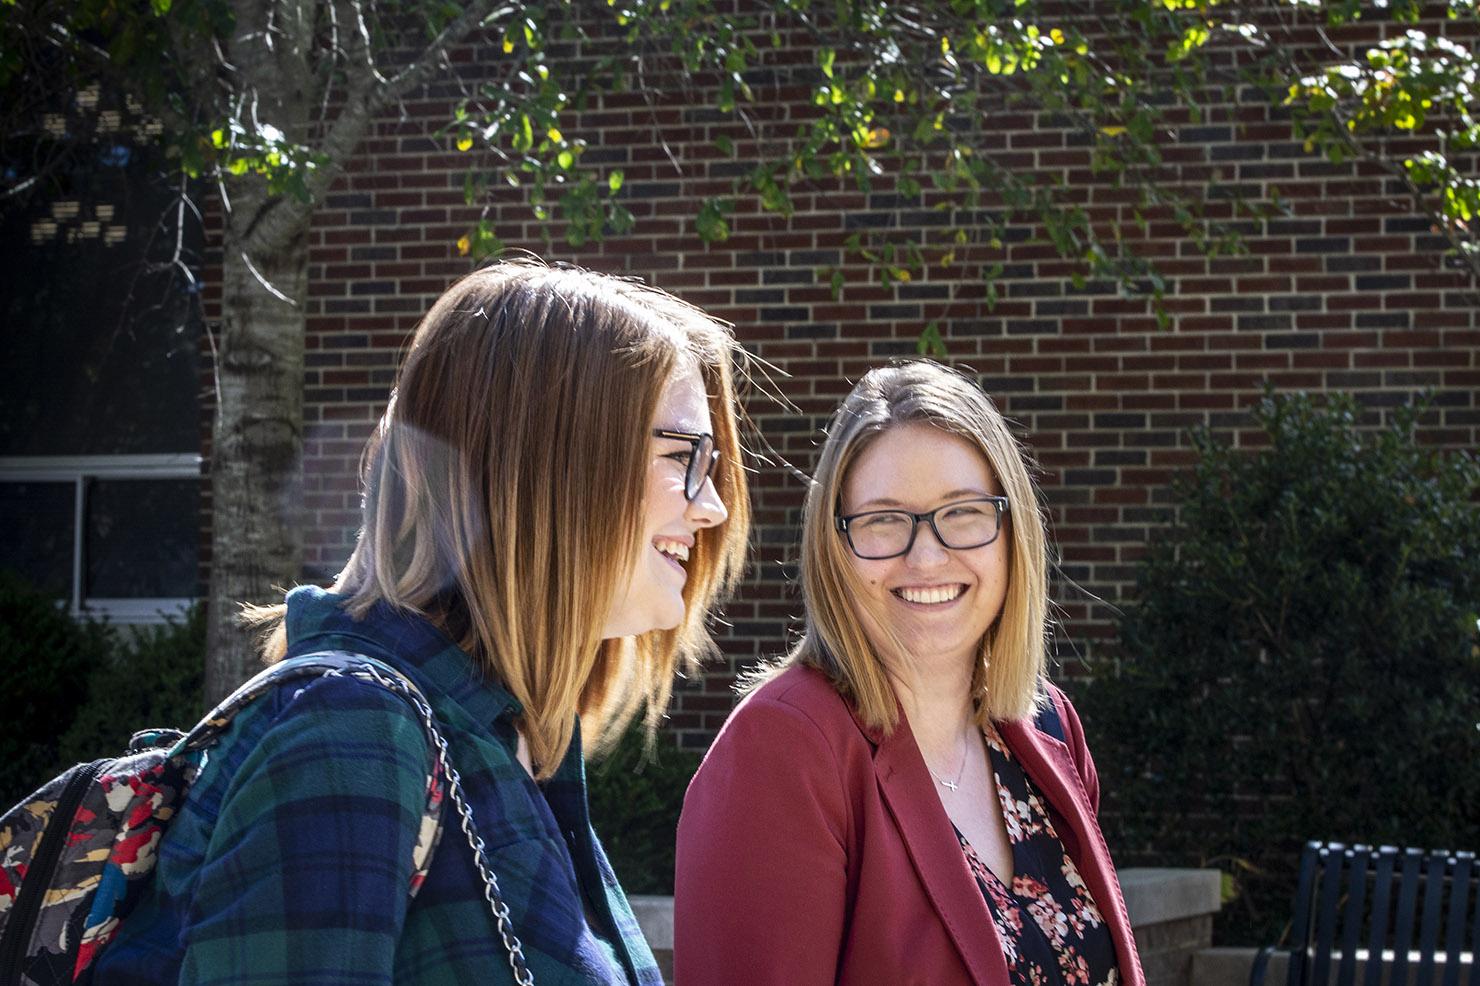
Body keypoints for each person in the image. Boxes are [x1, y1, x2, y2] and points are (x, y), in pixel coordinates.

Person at [97, 259, 750, 985]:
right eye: (681, 456)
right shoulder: (351, 735)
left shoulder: (505, 741)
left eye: (712, 463)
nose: (711, 506)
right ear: (543, 464)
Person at [673, 359, 1142, 986]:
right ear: (835, 548)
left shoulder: (1046, 726)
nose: (926, 555)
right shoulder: (783, 749)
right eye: (884, 520)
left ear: (1012, 531)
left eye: (964, 512)